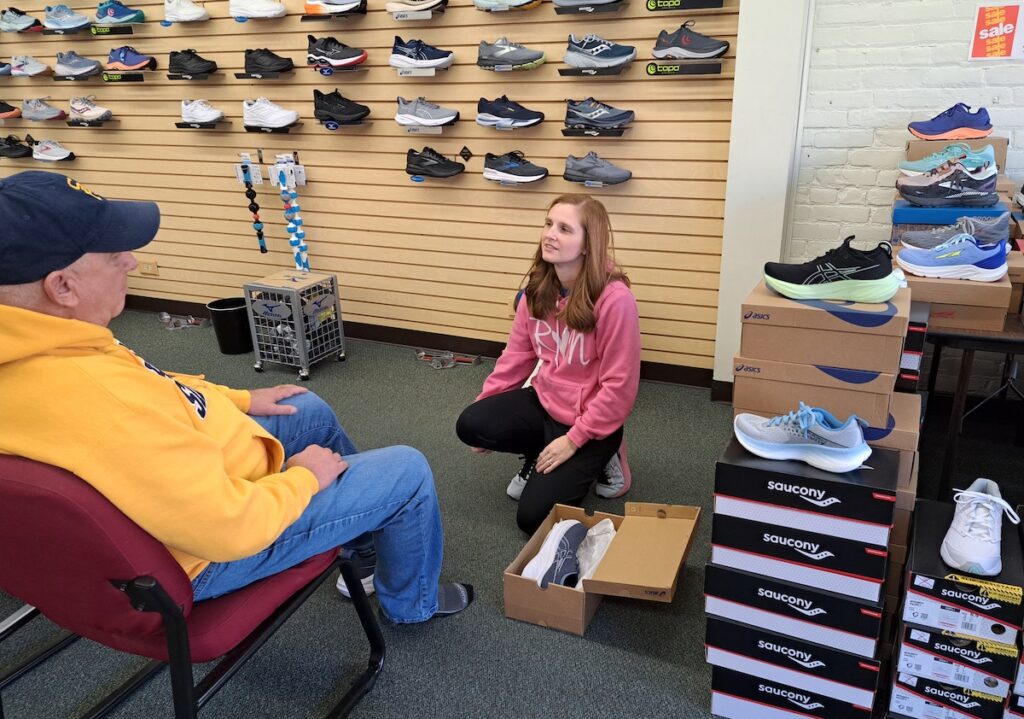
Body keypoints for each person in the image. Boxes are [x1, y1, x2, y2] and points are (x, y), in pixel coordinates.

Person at [0, 171, 472, 623]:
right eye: (112, 255)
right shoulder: (102, 401)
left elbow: (155, 384)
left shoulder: (42, 343)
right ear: (61, 286)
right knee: (406, 471)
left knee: (304, 409)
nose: (132, 261)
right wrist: (304, 479)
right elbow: (230, 528)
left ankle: (360, 546)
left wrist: (239, 399)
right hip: (212, 552)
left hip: (190, 490)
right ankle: (412, 605)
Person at [456, 194, 641, 534]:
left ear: (588, 244)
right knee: (471, 423)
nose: (550, 234)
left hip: (590, 423)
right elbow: (515, 359)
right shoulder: (537, 291)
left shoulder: (616, 301)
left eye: (565, 228)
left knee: (532, 520)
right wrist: (487, 407)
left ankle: (610, 456)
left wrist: (574, 439)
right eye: (548, 224)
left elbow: (620, 388)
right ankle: (540, 451)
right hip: (545, 403)